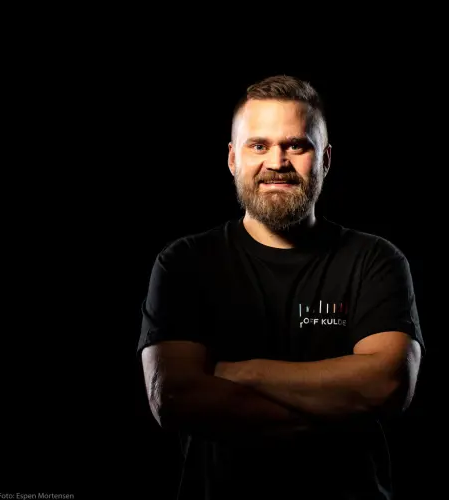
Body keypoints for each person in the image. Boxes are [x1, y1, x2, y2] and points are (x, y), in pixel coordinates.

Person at [137, 75, 425, 500]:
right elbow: (174, 396)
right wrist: (337, 412)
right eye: (259, 145)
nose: (277, 162)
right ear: (232, 158)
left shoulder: (375, 260)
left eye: (296, 145)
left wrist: (244, 373)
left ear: (325, 159)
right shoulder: (184, 263)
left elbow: (389, 384)